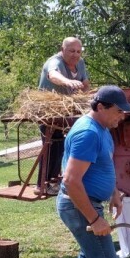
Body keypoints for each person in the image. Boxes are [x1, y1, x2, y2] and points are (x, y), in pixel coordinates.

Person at [55, 85, 130, 258]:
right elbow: (71, 181)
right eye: (118, 111)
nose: (122, 116)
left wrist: (114, 192)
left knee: (91, 254)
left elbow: (103, 164)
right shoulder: (88, 133)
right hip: (78, 205)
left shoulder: (102, 129)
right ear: (100, 107)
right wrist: (94, 219)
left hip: (87, 201)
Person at [36, 37, 91, 195]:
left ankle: (57, 180)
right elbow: (53, 75)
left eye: (78, 51)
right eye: (71, 51)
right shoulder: (55, 62)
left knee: (64, 145)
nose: (75, 55)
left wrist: (87, 97)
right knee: (51, 146)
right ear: (62, 50)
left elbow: (85, 83)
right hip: (50, 111)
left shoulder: (80, 63)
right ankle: (42, 185)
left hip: (68, 112)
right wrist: (68, 82)